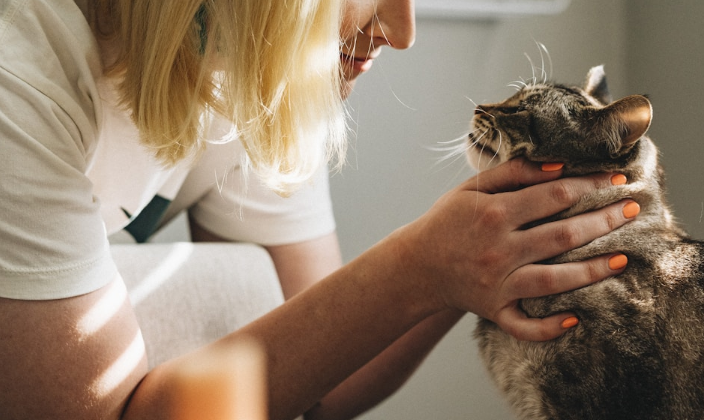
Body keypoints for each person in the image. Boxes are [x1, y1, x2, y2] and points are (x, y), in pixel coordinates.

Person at [0, 0, 639, 419]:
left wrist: (473, 264)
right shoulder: (20, 75)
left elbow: (322, 385)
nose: (403, 31)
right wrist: (423, 264)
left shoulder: (249, 60)